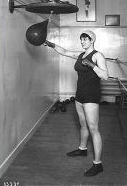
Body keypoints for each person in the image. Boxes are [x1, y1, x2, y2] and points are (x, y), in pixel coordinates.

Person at [44, 30, 109, 177]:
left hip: (91, 96)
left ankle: (98, 164)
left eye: (85, 39)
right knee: (83, 124)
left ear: (92, 40)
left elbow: (105, 76)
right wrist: (50, 44)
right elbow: (65, 51)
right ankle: (82, 149)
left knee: (94, 128)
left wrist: (92, 65)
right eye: (81, 39)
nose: (82, 42)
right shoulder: (80, 55)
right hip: (79, 95)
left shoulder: (98, 55)